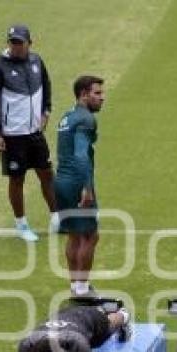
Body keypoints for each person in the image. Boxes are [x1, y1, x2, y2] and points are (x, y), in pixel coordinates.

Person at [0, 23, 58, 242]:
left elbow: (46, 84)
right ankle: (22, 224)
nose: (16, 46)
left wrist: (46, 110)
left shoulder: (37, 61)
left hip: (35, 132)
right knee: (17, 179)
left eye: (20, 43)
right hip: (12, 135)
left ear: (29, 43)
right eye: (12, 42)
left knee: (46, 173)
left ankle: (57, 217)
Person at [53, 76, 105, 297]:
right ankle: (83, 290)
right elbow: (81, 155)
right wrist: (87, 187)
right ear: (84, 94)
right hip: (76, 181)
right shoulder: (86, 119)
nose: (102, 98)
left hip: (60, 181)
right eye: (97, 93)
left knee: (74, 235)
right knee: (90, 236)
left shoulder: (67, 116)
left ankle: (75, 285)